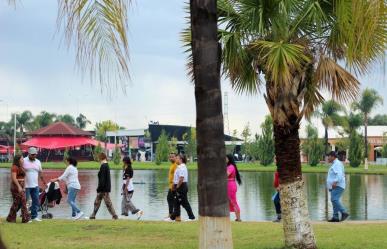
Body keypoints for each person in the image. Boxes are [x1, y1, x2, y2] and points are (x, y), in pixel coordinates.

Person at [166, 154, 195, 222]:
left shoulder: (182, 167)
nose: (176, 159)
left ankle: (191, 217)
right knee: (176, 203)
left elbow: (181, 178)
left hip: (181, 186)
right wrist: (174, 186)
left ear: (181, 159)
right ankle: (172, 218)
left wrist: (177, 187)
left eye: (177, 158)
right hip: (179, 186)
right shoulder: (179, 167)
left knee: (184, 203)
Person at [89, 152, 118, 220]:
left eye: (99, 158)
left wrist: (99, 188)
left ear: (101, 158)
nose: (98, 159)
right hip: (104, 188)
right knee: (97, 202)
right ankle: (93, 215)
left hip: (103, 189)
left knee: (107, 203)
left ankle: (114, 215)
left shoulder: (103, 166)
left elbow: (102, 179)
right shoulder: (105, 165)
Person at [23, 147, 46, 222]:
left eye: (35, 154)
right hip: (26, 186)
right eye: (32, 154)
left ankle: (34, 216)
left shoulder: (38, 162)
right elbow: (20, 173)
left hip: (35, 185)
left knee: (36, 201)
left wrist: (44, 183)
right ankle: (26, 217)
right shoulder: (23, 160)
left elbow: (40, 173)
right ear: (28, 154)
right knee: (26, 202)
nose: (34, 156)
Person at [6, 155, 31, 223]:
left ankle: (10, 218)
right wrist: (19, 186)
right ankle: (25, 219)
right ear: (18, 160)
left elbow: (24, 178)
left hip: (21, 186)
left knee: (17, 203)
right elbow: (14, 178)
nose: (23, 160)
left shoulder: (21, 167)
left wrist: (24, 187)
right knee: (23, 202)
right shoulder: (14, 167)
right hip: (16, 187)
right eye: (22, 159)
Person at [326, 151, 349, 222]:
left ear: (333, 156)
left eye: (328, 156)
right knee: (334, 200)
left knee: (334, 199)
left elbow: (339, 175)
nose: (327, 158)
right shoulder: (335, 164)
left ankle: (344, 212)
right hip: (335, 186)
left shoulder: (337, 164)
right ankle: (335, 217)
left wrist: (335, 182)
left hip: (338, 185)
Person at [226, 154, 242, 222]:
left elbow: (226, 174)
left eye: (225, 158)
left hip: (230, 185)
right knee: (227, 202)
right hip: (228, 185)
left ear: (229, 159)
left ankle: (238, 219)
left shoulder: (231, 167)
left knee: (233, 202)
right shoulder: (228, 166)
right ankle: (227, 218)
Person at [166, 153, 178, 219]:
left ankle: (171, 215)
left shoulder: (175, 165)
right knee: (170, 199)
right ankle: (171, 214)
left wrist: (174, 185)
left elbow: (176, 176)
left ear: (176, 158)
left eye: (172, 157)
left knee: (170, 199)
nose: (171, 158)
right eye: (170, 157)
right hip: (170, 185)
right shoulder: (172, 165)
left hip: (173, 186)